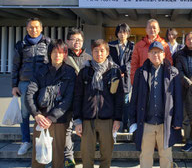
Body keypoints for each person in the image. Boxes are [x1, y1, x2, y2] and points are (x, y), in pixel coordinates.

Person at [129, 41, 183, 168]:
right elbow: (134, 97)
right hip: (146, 122)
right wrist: (132, 121)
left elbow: (178, 99)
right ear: (148, 55)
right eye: (153, 52)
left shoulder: (172, 72)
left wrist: (177, 121)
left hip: (165, 123)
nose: (156, 55)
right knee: (145, 155)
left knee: (166, 156)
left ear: (164, 55)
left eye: (159, 52)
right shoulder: (141, 72)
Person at [25, 39, 76, 168]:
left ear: (65, 54)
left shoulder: (70, 72)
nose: (57, 55)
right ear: (49, 53)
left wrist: (51, 117)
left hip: (59, 120)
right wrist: (36, 114)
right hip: (40, 118)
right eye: (54, 52)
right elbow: (29, 94)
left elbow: (68, 99)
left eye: (61, 52)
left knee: (58, 157)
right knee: (38, 156)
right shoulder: (40, 70)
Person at [73, 39, 124, 168]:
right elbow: (78, 96)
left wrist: (118, 119)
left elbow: (119, 97)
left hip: (107, 119)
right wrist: (77, 120)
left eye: (102, 51)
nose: (99, 54)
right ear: (92, 52)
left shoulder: (114, 71)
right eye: (96, 51)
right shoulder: (85, 71)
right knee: (86, 154)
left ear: (107, 52)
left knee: (106, 155)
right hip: (87, 118)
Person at [12, 17, 51, 155]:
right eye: (31, 27)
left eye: (36, 27)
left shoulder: (48, 43)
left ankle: (43, 139)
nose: (33, 29)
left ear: (41, 28)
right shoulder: (20, 45)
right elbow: (16, 65)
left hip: (43, 82)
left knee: (43, 111)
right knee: (24, 113)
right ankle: (26, 141)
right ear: (27, 28)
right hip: (25, 82)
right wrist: (14, 85)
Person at [64, 28, 92, 168]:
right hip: (67, 98)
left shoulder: (88, 58)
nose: (77, 42)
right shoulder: (62, 57)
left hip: (84, 99)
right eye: (74, 40)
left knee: (85, 127)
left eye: (79, 40)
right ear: (68, 41)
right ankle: (69, 157)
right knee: (68, 128)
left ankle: (86, 153)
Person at [109, 23, 134, 132]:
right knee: (113, 100)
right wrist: (117, 70)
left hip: (126, 77)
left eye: (124, 32)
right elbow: (109, 59)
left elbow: (132, 61)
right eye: (120, 32)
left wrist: (123, 70)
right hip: (113, 76)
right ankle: (113, 123)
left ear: (128, 33)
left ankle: (125, 124)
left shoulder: (132, 46)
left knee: (125, 102)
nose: (122, 34)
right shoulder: (111, 45)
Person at [130, 19, 172, 84]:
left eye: (154, 28)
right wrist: (134, 81)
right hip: (143, 79)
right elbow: (134, 64)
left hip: (160, 80)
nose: (152, 30)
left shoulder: (164, 45)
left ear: (158, 30)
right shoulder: (139, 45)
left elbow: (169, 63)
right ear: (146, 30)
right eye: (150, 28)